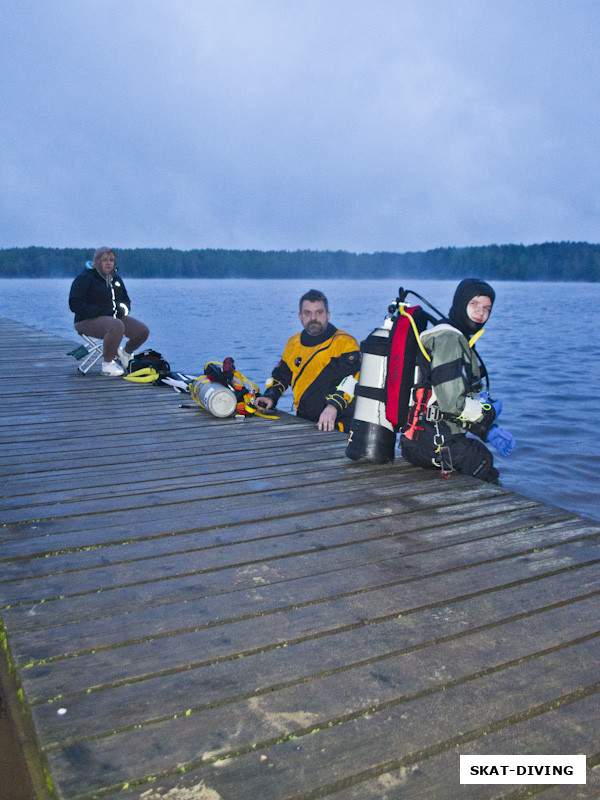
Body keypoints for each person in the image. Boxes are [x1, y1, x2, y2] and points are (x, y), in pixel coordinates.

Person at [400, 278, 515, 482]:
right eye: (474, 304)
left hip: (420, 442)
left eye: (487, 308)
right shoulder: (449, 340)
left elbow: (446, 403)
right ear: (461, 303)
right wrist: (487, 413)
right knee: (481, 461)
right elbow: (452, 405)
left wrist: (487, 430)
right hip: (430, 444)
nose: (481, 312)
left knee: (475, 454)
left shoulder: (453, 336)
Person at [255, 289, 361, 431]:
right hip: (305, 422)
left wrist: (333, 407)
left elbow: (354, 379)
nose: (313, 318)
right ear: (300, 317)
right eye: (307, 313)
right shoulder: (293, 343)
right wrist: (270, 397)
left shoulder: (345, 343)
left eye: (319, 312)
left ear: (328, 315)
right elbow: (281, 376)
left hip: (338, 422)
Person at [68, 247, 149, 376]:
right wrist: (102, 312)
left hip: (114, 319)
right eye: (104, 260)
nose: (108, 263)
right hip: (85, 321)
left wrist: (121, 311)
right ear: (96, 261)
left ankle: (125, 354)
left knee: (142, 331)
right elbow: (75, 304)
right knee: (116, 325)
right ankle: (107, 365)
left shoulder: (116, 279)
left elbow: (126, 302)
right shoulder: (84, 278)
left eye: (111, 260)